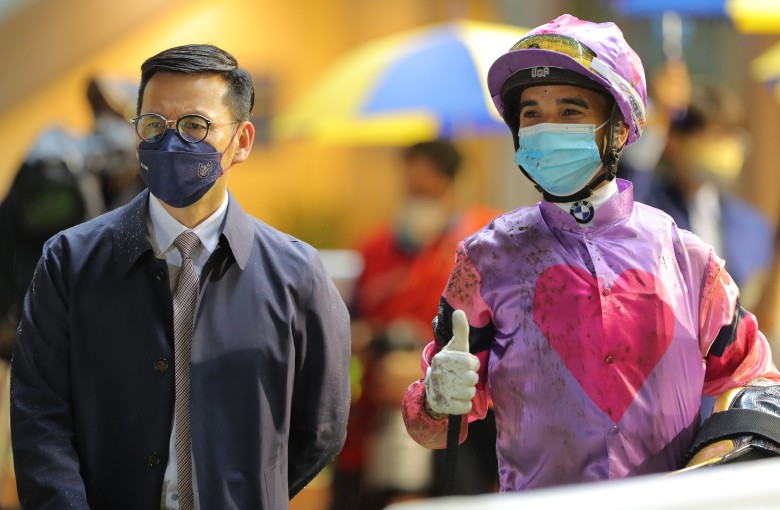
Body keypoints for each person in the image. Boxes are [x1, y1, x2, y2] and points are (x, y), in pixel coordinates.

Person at [401, 14, 780, 492]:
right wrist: (436, 401)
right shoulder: (484, 261)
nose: (547, 128)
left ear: (618, 130)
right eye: (532, 114)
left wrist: (715, 458)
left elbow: (759, 382)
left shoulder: (688, 259)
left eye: (570, 111)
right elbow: (430, 430)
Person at [10, 44, 351, 509]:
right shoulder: (69, 262)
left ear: (242, 141)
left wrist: (243, 492)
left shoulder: (297, 275)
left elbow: (321, 427)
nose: (171, 142)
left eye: (195, 125)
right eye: (154, 125)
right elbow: (39, 417)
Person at [330, 141, 499, 510]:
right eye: (412, 188)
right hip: (378, 420)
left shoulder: (487, 243)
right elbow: (352, 327)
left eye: (429, 189)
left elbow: (504, 339)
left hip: (462, 426)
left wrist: (425, 370)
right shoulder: (376, 249)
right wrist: (371, 349)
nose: (419, 199)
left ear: (456, 184)